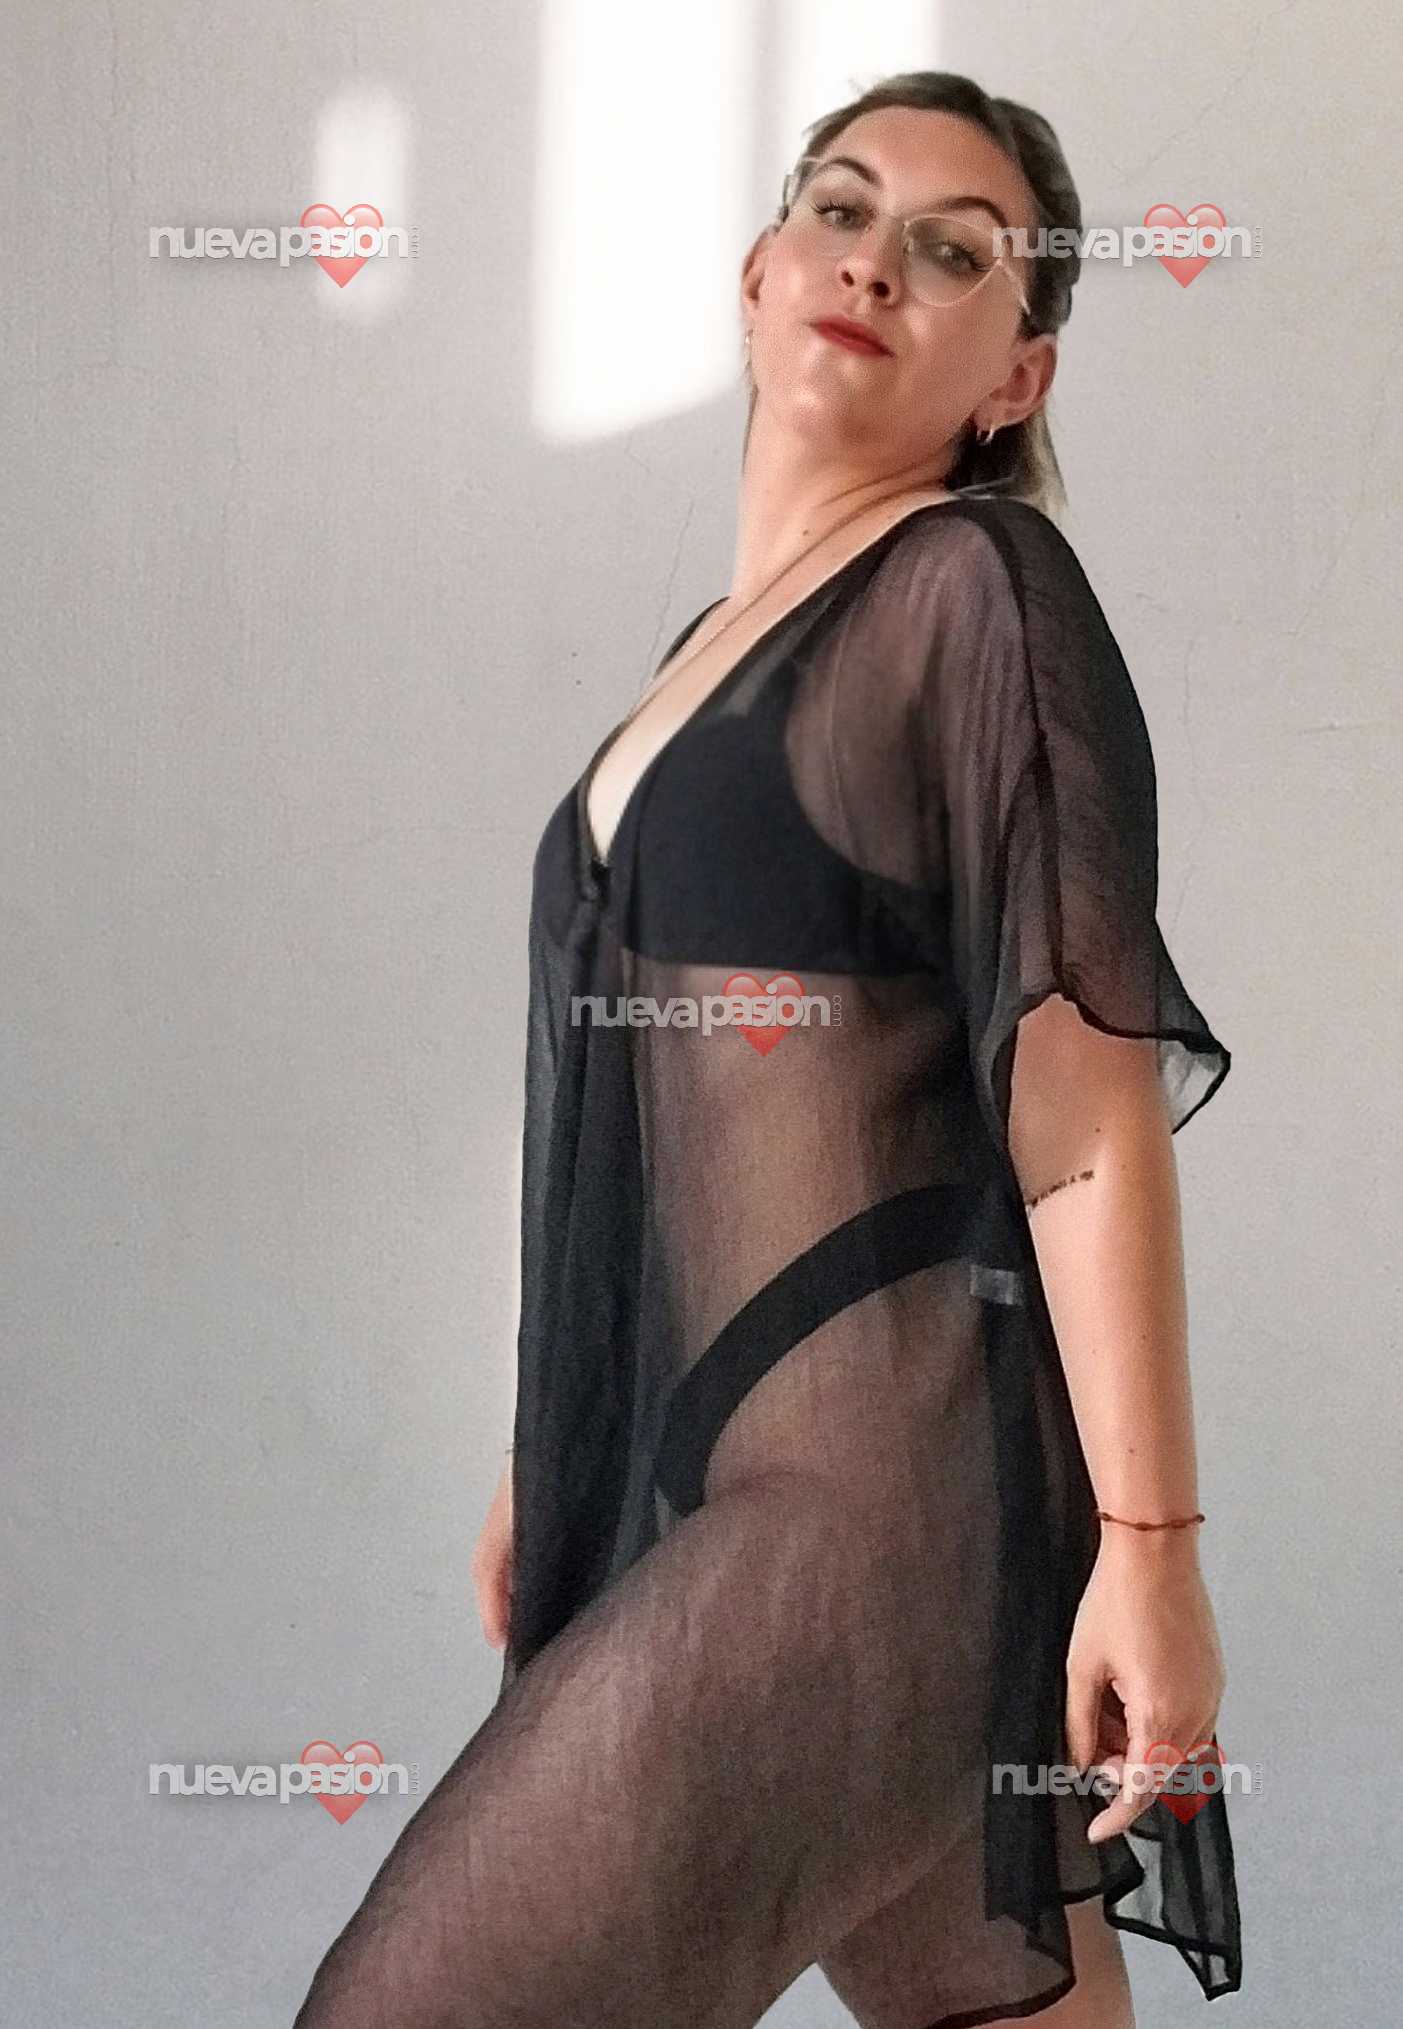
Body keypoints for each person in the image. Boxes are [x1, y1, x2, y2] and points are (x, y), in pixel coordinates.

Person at [294, 70, 1243, 2029]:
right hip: (756, 1501)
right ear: (755, 276)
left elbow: (1079, 1116)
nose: (876, 262)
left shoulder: (971, 590)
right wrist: (559, 1446)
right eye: (841, 206)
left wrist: (1154, 1553)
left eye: (954, 250)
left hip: (870, 1525)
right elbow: (666, 1122)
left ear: (1018, 377)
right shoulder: (699, 663)